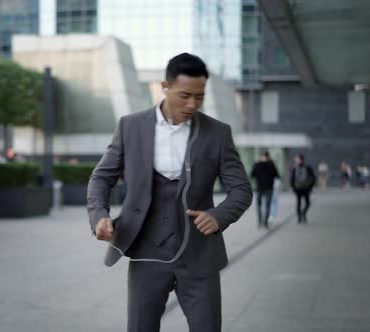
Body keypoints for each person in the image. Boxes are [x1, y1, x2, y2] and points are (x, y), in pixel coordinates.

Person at [87, 53, 252, 332]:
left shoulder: (217, 133)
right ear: (165, 86)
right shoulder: (131, 126)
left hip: (198, 257)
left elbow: (241, 190)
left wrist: (218, 215)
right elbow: (101, 177)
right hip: (145, 255)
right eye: (185, 95)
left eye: (200, 97)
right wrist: (99, 216)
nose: (192, 104)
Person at [250, 151, 280, 228]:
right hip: (267, 188)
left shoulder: (257, 164)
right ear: (268, 156)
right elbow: (277, 175)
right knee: (266, 206)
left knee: (262, 206)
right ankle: (264, 222)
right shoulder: (271, 164)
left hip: (262, 188)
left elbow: (252, 175)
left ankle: (261, 222)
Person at [290, 154, 315, 223]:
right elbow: (292, 178)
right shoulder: (294, 168)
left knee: (308, 203)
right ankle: (299, 217)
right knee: (298, 203)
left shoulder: (307, 167)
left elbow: (313, 177)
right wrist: (293, 187)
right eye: (296, 159)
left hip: (306, 188)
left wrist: (310, 187)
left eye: (297, 159)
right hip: (297, 188)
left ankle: (303, 213)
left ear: (301, 160)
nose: (296, 160)